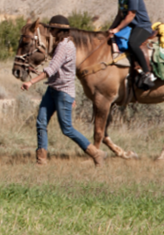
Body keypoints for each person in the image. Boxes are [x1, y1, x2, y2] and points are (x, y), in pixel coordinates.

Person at [21, 15, 105, 166]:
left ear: (59, 31)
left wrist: (31, 82)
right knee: (41, 122)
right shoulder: (61, 44)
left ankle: (96, 153)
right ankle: (41, 161)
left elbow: (52, 69)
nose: (51, 32)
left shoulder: (65, 46)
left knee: (66, 128)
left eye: (53, 29)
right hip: (53, 89)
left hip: (62, 93)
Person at [107, 0, 156, 90]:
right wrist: (111, 29)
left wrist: (117, 29)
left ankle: (147, 73)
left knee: (133, 43)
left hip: (142, 26)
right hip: (131, 27)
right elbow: (120, 15)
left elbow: (130, 15)